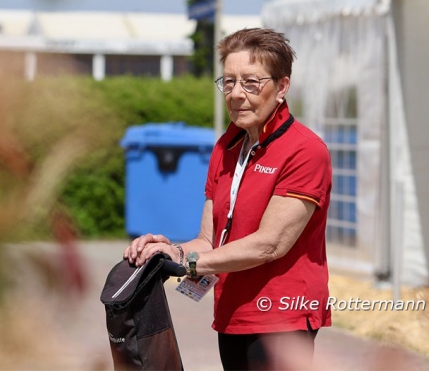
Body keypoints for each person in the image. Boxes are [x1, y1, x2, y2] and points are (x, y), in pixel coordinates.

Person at [124, 27, 332, 370]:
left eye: (251, 82)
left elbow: (270, 245)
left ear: (281, 87)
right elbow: (210, 239)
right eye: (228, 81)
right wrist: (167, 251)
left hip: (282, 317)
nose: (236, 94)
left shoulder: (305, 150)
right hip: (232, 311)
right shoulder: (226, 146)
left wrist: (186, 264)